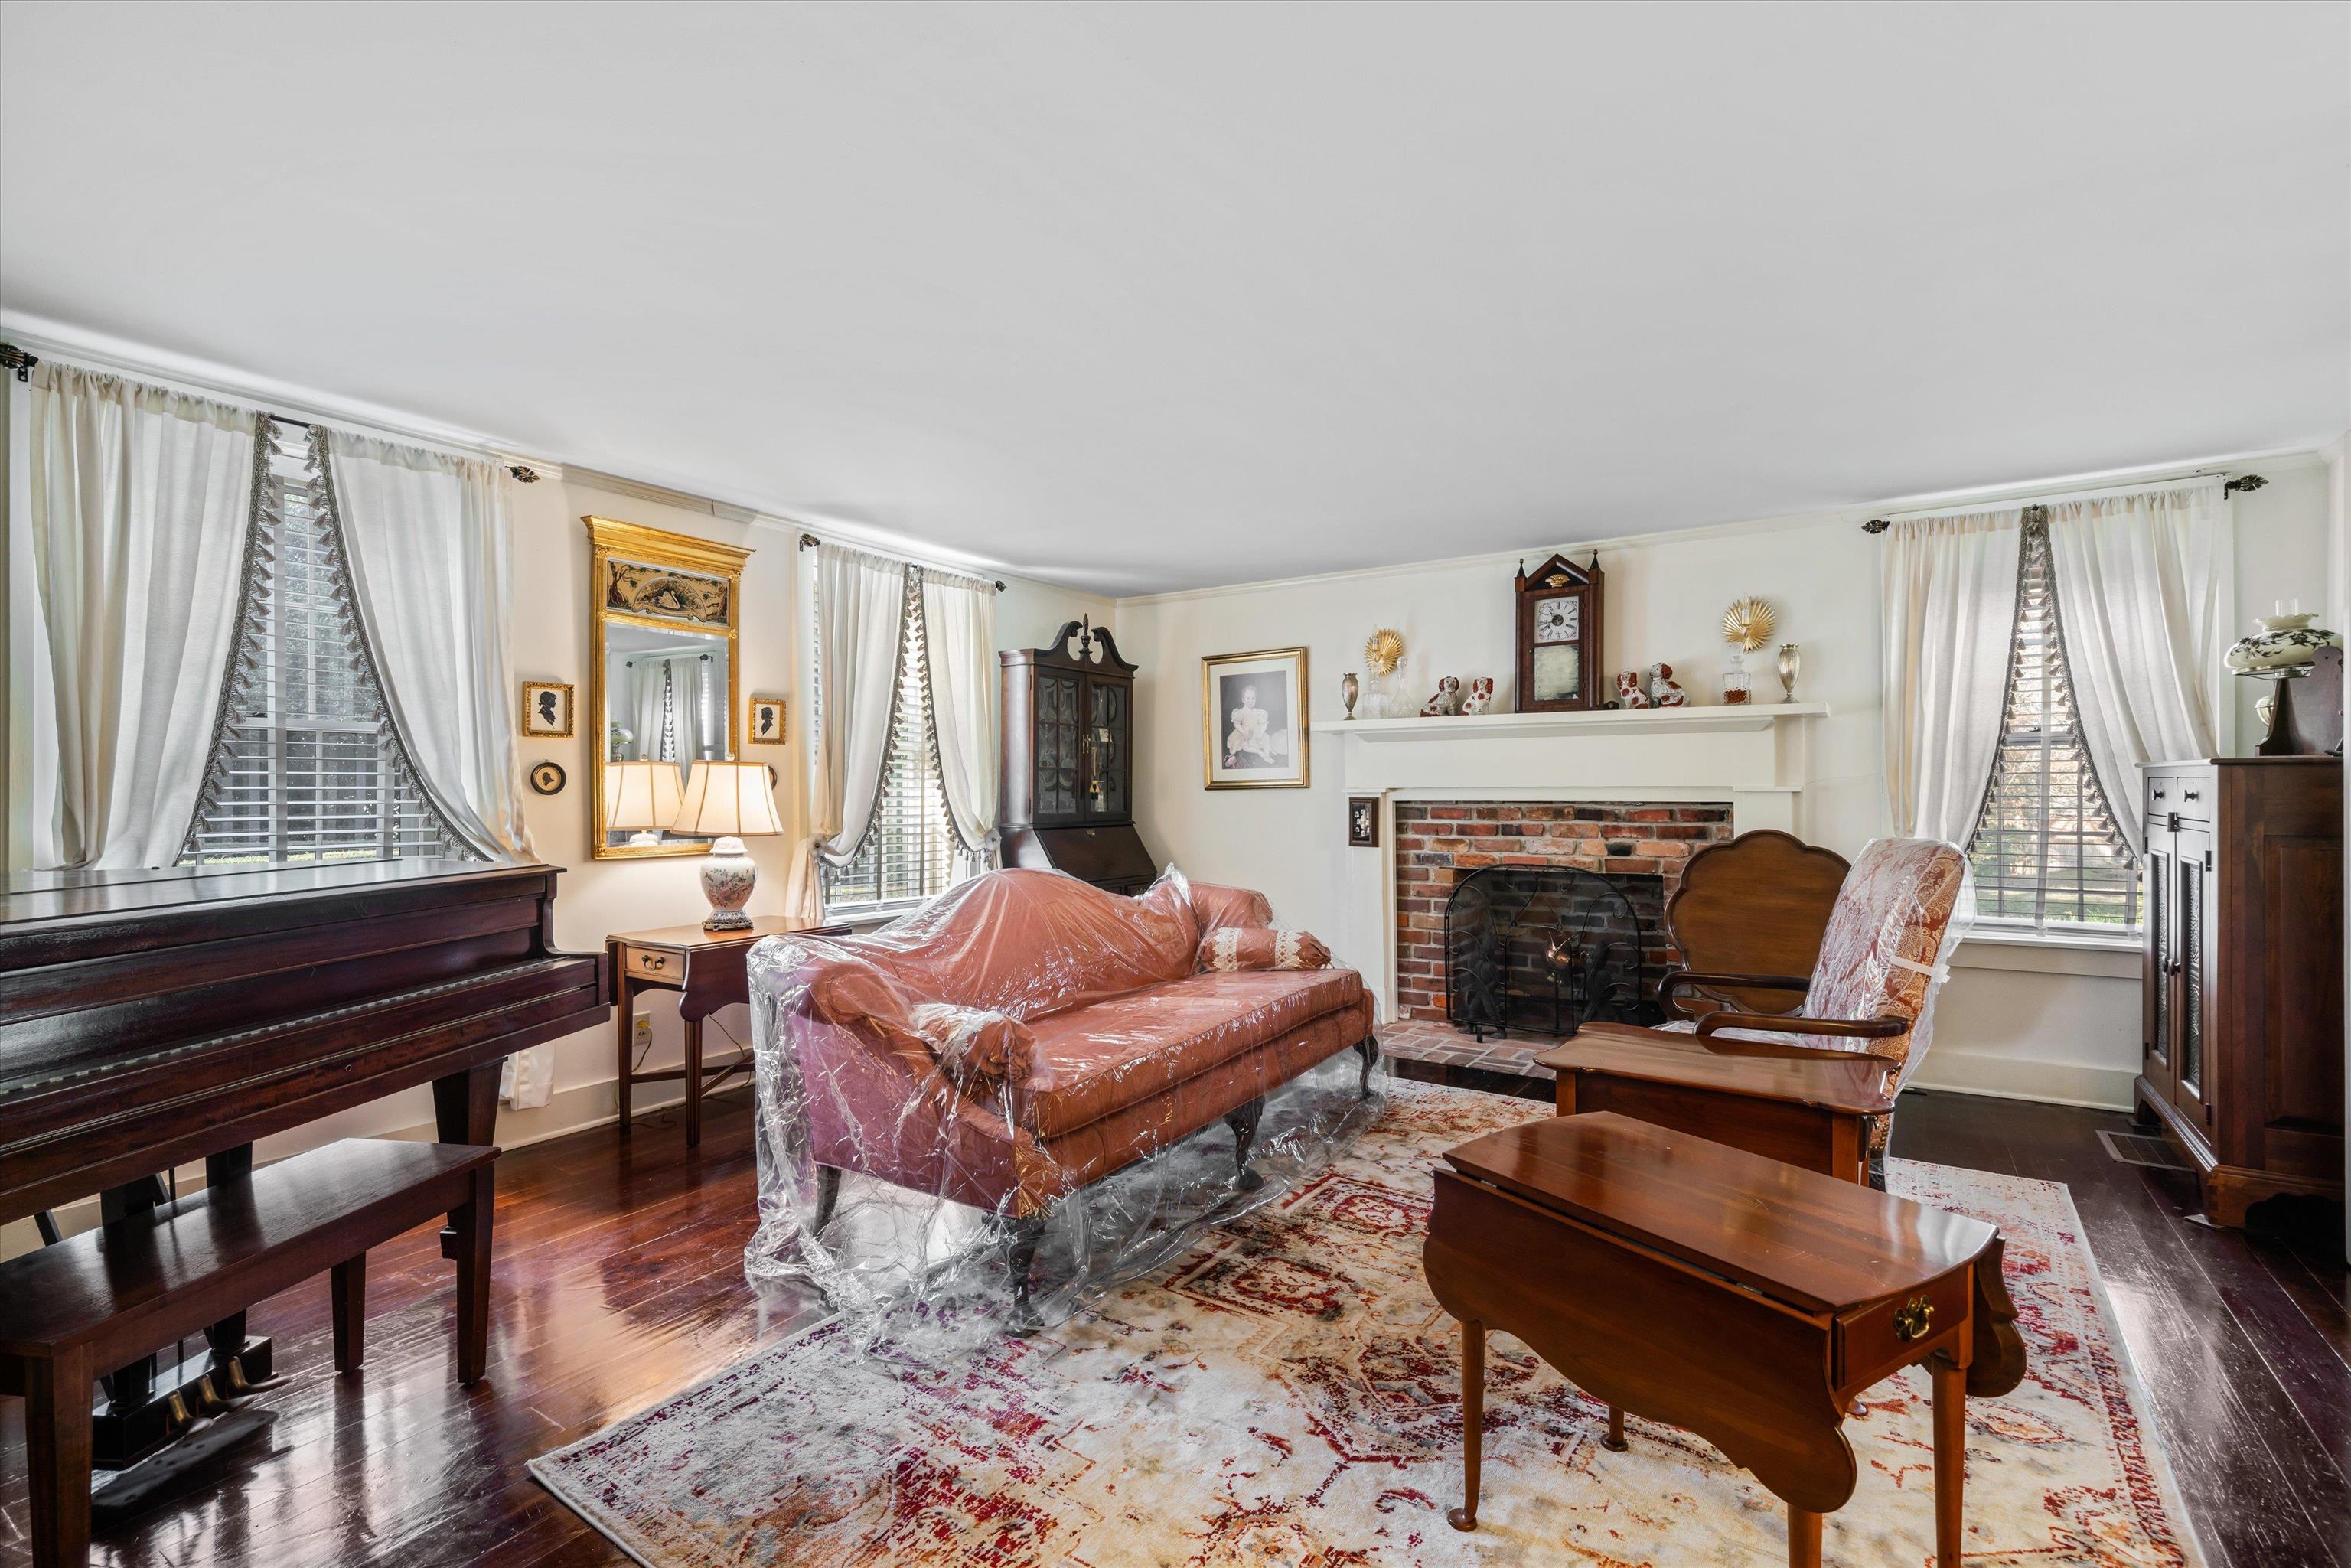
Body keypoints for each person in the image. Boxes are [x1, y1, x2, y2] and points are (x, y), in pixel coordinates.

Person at [1225, 683, 1277, 767]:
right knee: (1245, 746)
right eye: (1248, 698)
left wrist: (1260, 730)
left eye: (1253, 698)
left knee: (1266, 737)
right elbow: (1236, 724)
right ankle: (1260, 753)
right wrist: (1243, 732)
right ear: (1243, 700)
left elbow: (1261, 724)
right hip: (1245, 733)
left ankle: (1267, 756)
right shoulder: (1241, 712)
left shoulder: (1257, 712)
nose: (1251, 701)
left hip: (1254, 733)